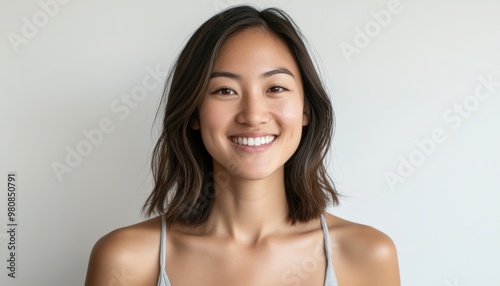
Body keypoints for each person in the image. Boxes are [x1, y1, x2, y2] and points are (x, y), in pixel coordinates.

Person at [85, 5, 400, 286]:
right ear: (193, 112)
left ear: (306, 110)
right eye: (225, 90)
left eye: (275, 88)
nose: (253, 115)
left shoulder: (368, 256)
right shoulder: (126, 260)